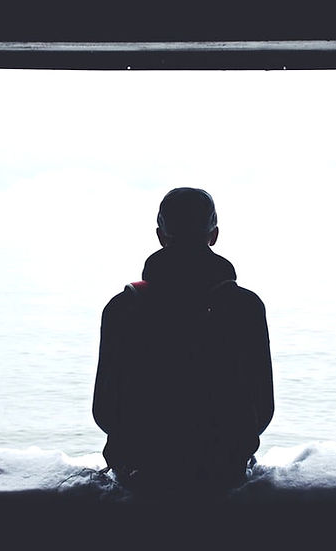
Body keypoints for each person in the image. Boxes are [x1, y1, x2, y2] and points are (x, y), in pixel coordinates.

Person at [92, 187, 274, 499]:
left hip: (142, 471)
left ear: (161, 236)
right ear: (213, 235)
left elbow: (104, 411)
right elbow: (263, 409)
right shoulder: (245, 307)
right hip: (222, 470)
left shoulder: (123, 308)